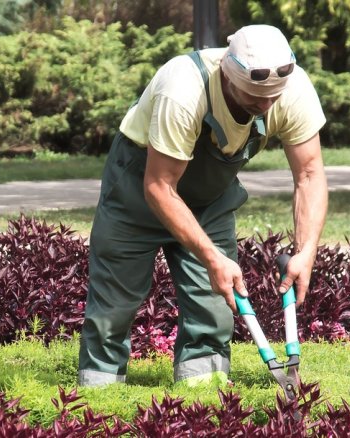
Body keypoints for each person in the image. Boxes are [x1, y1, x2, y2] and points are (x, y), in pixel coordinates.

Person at [78, 25, 328, 387]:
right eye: (255, 96)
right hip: (138, 190)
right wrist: (211, 257)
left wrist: (306, 251)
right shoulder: (183, 89)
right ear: (228, 75)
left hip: (209, 200)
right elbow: (159, 186)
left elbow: (309, 173)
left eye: (273, 97)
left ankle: (203, 396)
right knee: (114, 306)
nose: (266, 105)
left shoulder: (292, 89)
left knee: (214, 308)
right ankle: (98, 397)